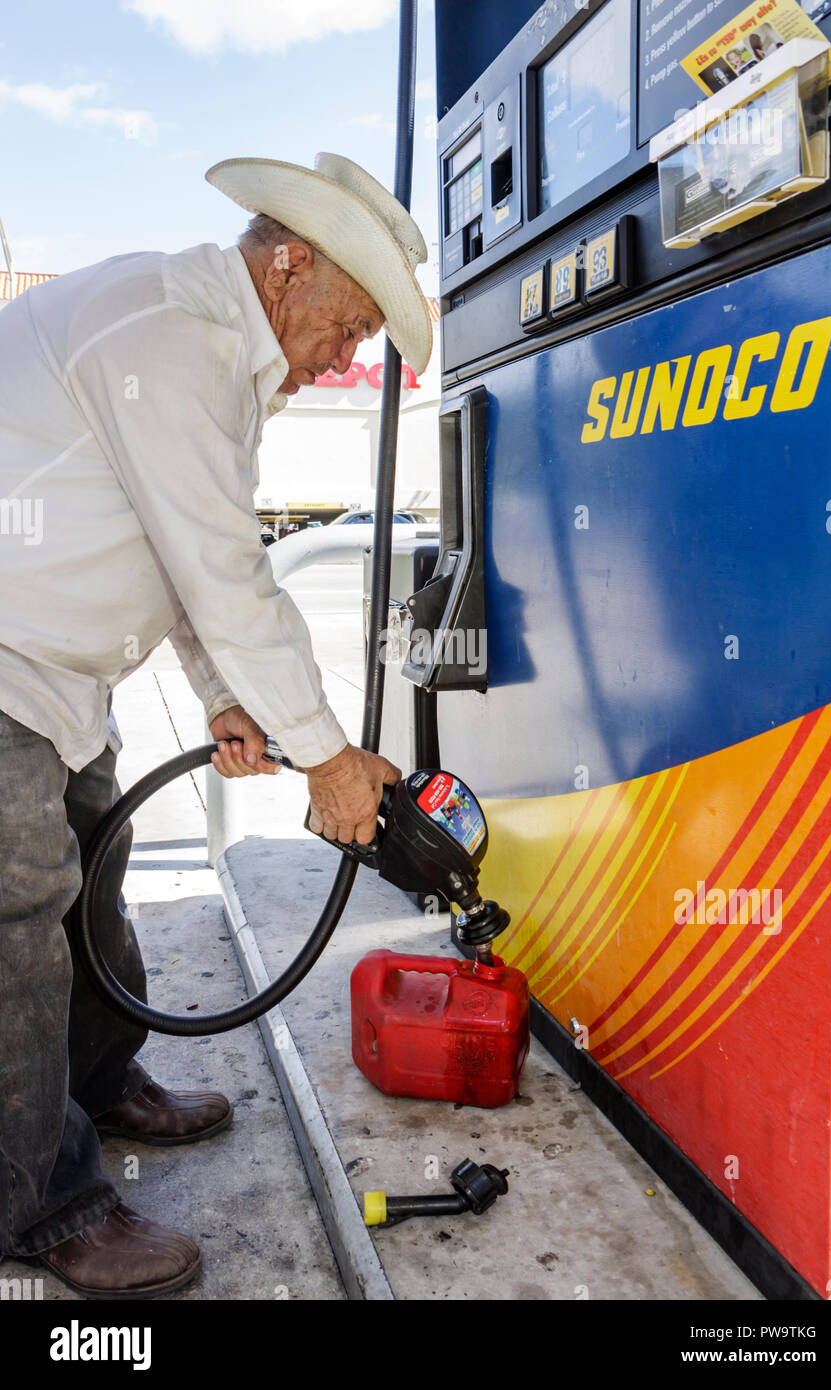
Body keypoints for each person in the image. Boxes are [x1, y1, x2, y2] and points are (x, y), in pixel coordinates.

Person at [0, 153, 432, 1298]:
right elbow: (226, 572)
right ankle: (40, 1208)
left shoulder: (217, 355)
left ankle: (97, 1080)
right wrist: (329, 757)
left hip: (51, 674)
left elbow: (180, 557)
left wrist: (228, 698)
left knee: (94, 864)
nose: (346, 357)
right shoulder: (173, 332)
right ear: (285, 262)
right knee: (17, 918)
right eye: (346, 324)